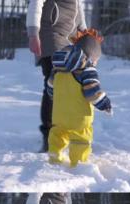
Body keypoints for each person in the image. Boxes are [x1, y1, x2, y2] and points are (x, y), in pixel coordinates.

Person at [26, 0, 88, 152]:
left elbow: (79, 8)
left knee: (71, 85)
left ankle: (64, 131)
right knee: (54, 82)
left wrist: (86, 36)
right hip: (49, 35)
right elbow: (35, 4)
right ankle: (49, 134)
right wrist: (33, 34)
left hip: (70, 38)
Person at [46, 29, 112, 167]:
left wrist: (56, 99)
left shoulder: (58, 70)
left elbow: (51, 88)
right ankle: (78, 163)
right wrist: (105, 104)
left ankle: (54, 156)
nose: (96, 63)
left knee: (58, 134)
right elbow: (93, 92)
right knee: (81, 139)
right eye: (96, 60)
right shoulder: (87, 71)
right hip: (78, 118)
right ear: (91, 57)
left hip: (59, 115)